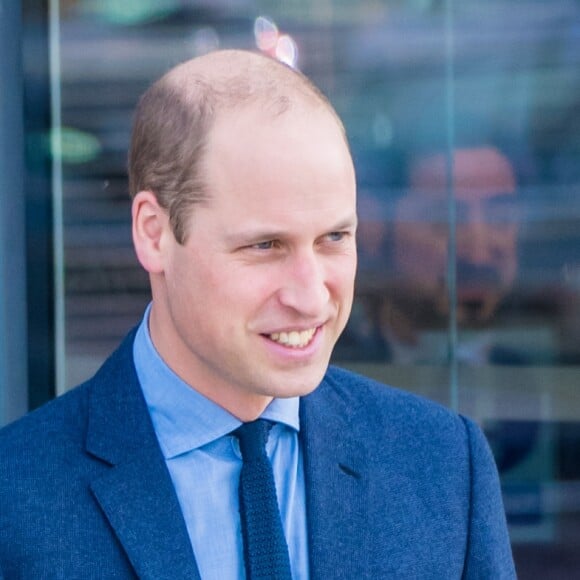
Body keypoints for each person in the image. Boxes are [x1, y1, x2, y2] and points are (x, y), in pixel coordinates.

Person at [0, 50, 515, 578]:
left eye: (334, 237)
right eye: (266, 246)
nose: (312, 297)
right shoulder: (15, 503)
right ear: (153, 233)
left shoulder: (443, 466)